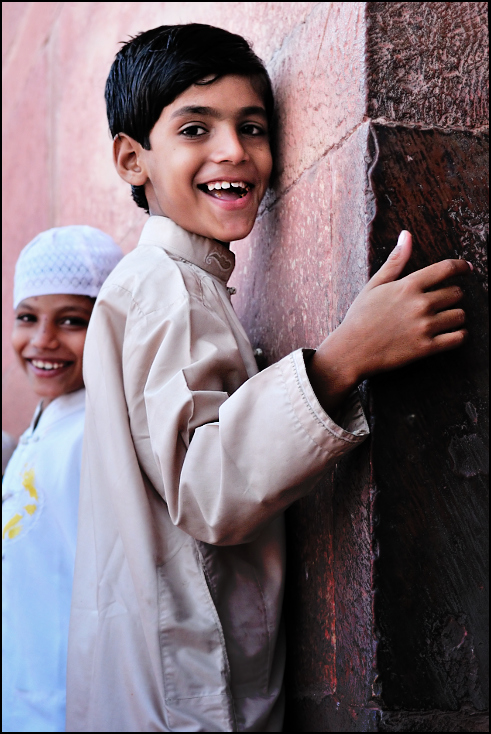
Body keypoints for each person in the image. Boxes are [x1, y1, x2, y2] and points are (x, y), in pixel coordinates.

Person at [66, 24, 471, 733]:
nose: (233, 152)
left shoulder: (161, 284)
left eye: (251, 126)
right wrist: (344, 357)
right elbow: (207, 487)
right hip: (187, 697)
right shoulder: (169, 286)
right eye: (196, 127)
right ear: (133, 159)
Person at [2, 226, 123, 733]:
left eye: (72, 321)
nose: (42, 341)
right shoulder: (46, 423)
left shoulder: (97, 434)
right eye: (27, 318)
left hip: (70, 709)